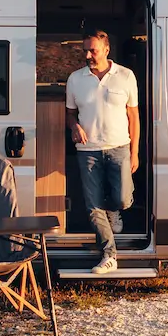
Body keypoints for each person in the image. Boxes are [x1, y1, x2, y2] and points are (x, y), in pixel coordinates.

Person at [64, 29, 137, 274]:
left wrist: (135, 152)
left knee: (123, 198)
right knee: (92, 206)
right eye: (85, 50)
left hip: (119, 147)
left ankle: (114, 210)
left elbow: (133, 117)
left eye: (92, 50)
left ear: (106, 50)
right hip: (88, 150)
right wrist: (74, 126)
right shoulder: (75, 79)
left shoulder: (126, 76)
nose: (87, 55)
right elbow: (70, 113)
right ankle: (109, 255)